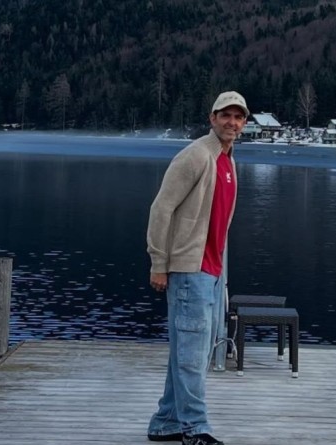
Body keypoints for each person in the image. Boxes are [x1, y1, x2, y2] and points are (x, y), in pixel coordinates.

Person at [146, 91, 249, 445]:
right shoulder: (196, 155)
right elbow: (161, 208)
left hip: (212, 272)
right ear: (212, 118)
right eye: (225, 115)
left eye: (238, 117)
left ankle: (166, 422)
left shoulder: (228, 160)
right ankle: (195, 429)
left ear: (244, 123)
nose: (231, 122)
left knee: (191, 351)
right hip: (190, 270)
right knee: (191, 354)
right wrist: (159, 263)